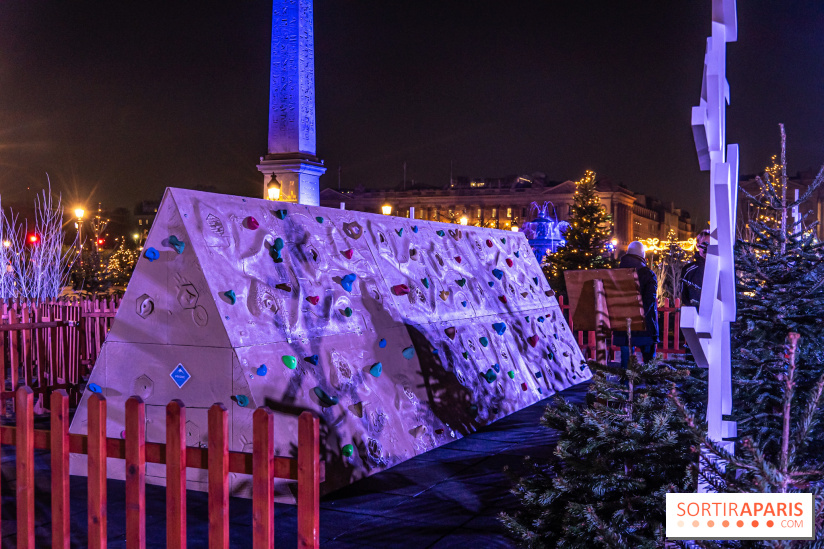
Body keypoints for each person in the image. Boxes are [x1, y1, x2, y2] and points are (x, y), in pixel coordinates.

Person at [612, 241, 658, 366]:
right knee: (649, 363)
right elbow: (649, 301)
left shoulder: (616, 273)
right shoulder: (647, 274)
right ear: (642, 254)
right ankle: (648, 377)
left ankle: (626, 375)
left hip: (622, 327)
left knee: (626, 361)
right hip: (644, 326)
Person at [680, 230, 710, 307]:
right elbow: (684, 295)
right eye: (705, 244)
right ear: (698, 245)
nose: (708, 247)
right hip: (695, 311)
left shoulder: (721, 268)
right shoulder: (689, 270)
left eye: (710, 244)